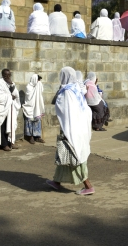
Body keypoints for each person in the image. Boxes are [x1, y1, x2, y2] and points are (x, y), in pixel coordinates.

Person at [46, 67, 94, 196]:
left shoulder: (67, 91)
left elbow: (65, 110)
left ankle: (88, 186)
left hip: (71, 128)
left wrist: (68, 130)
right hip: (80, 127)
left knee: (74, 156)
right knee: (64, 156)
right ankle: (56, 181)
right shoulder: (77, 88)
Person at [0, 69, 21, 151]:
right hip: (2, 108)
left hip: (10, 107)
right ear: (2, 75)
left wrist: (11, 84)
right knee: (3, 126)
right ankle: (4, 144)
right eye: (5, 75)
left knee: (11, 125)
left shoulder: (12, 83)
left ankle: (11, 142)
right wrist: (9, 97)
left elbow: (16, 94)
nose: (7, 77)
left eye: (9, 75)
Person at [22, 74, 45, 144]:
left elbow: (41, 90)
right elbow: (29, 97)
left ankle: (37, 136)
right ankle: (30, 137)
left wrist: (38, 85)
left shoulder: (39, 85)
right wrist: (36, 88)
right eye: (38, 80)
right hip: (30, 107)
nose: (39, 82)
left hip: (37, 107)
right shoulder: (29, 87)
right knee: (30, 120)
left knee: (37, 120)